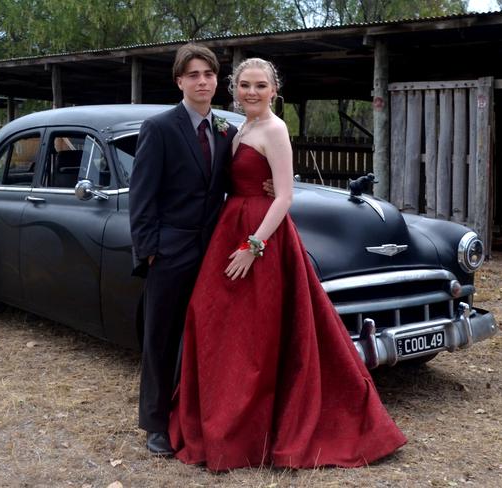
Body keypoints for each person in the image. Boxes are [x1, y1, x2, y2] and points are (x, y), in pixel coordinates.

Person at [168, 58, 407, 471]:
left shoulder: (275, 129)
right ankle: (223, 419)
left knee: (257, 335)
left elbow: (284, 198)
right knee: (210, 319)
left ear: (275, 90)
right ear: (234, 88)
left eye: (261, 85)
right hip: (233, 225)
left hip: (260, 238)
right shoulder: (240, 127)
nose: (252, 92)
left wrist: (254, 246)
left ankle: (252, 430)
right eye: (244, 85)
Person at [129, 43, 239, 456]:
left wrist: (264, 186)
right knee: (161, 337)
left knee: (204, 337)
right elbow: (142, 196)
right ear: (179, 81)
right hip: (170, 253)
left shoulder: (225, 130)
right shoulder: (159, 128)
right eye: (192, 74)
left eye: (208, 74)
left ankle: (194, 415)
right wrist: (150, 251)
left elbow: (234, 181)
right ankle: (156, 424)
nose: (202, 81)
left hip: (213, 252)